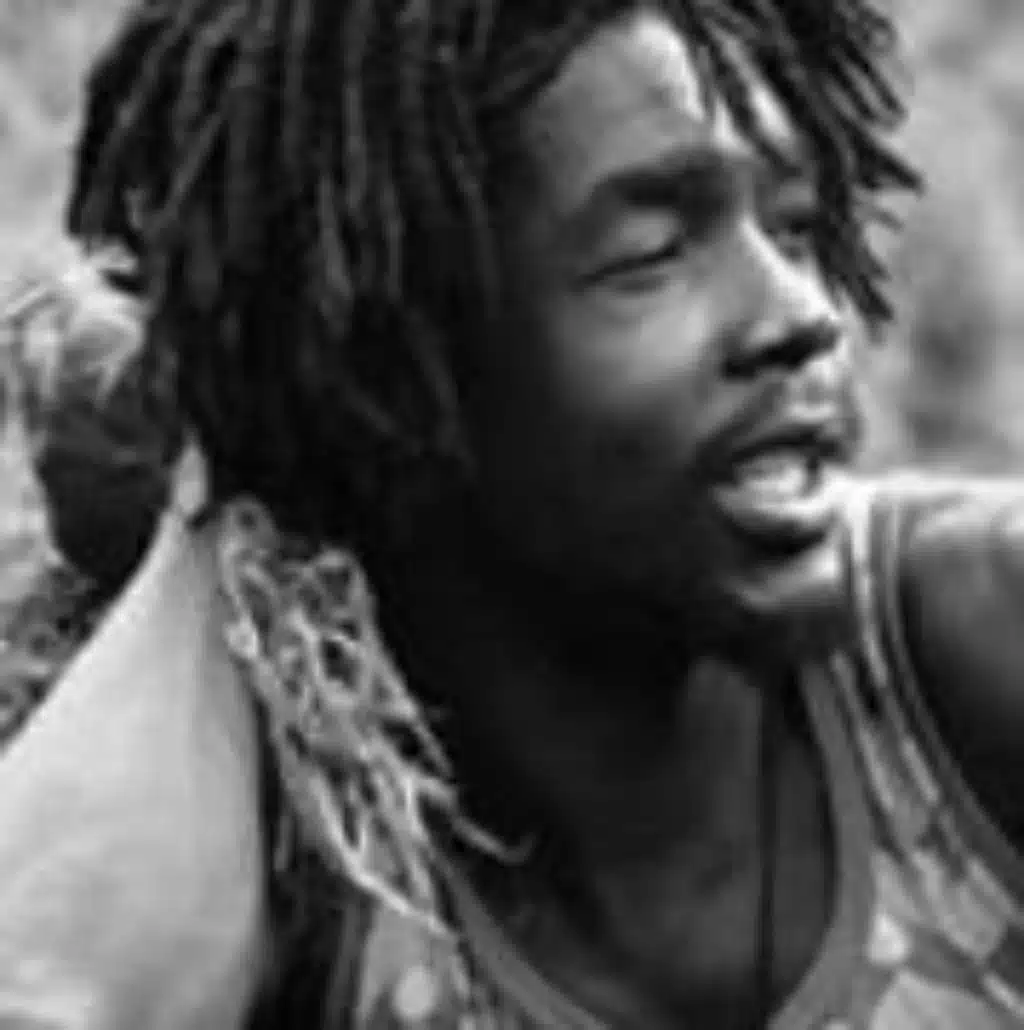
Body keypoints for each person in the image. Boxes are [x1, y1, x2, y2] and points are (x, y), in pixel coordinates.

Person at [2, 0, 1024, 1028]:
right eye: (651, 254)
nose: (803, 314)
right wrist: (214, 482)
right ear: (388, 365)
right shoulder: (302, 861)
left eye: (792, 227)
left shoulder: (969, 641)